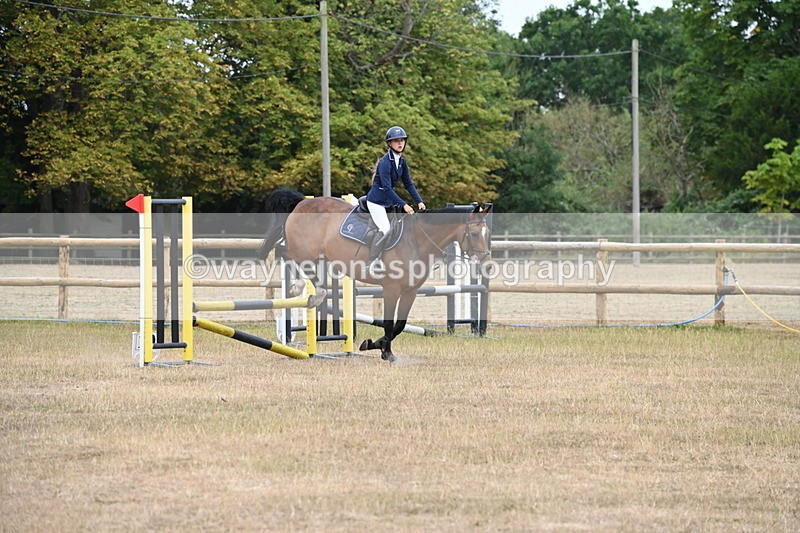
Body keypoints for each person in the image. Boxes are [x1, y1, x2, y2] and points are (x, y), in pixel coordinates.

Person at [366, 126, 426, 266]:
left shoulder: (402, 162)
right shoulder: (385, 163)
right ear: (389, 144)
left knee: (401, 228)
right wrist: (404, 205)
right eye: (396, 141)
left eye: (402, 141)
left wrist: (419, 201)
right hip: (376, 202)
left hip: (388, 202)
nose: (400, 143)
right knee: (385, 229)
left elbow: (408, 184)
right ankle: (371, 262)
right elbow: (387, 188)